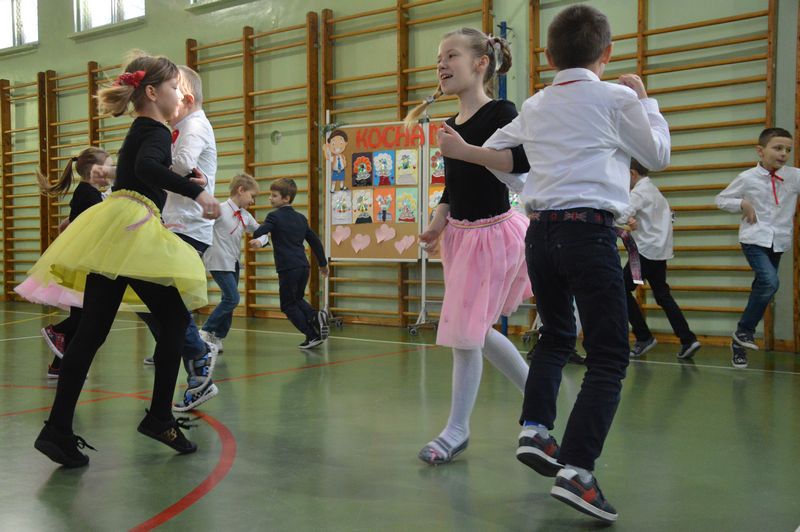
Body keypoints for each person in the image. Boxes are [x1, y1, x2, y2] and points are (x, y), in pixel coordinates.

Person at [448, 5, 670, 521]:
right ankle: (577, 471)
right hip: (589, 233)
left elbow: (495, 150)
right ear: (606, 53)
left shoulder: (537, 103)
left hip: (540, 233)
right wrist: (646, 101)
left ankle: (535, 429)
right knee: (609, 355)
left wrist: (524, 185)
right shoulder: (617, 98)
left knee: (555, 336)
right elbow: (657, 156)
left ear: (548, 56)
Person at [15, 52, 221, 468]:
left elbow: (138, 169)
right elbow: (147, 168)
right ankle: (159, 418)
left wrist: (185, 179)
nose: (178, 94)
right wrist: (198, 192)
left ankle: (57, 430)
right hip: (133, 232)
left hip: (114, 233)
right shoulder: (157, 131)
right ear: (152, 92)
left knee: (91, 332)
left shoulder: (140, 129)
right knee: (175, 321)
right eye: (173, 88)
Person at [405, 27, 532, 466]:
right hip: (460, 237)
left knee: (465, 334)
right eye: (438, 58)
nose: (441, 64)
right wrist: (438, 221)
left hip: (493, 236)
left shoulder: (501, 112)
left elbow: (519, 163)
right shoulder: (453, 126)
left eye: (451, 55)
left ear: (481, 63)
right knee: (477, 330)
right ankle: (537, 395)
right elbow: (454, 185)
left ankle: (456, 430)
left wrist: (463, 150)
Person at [715, 127, 798, 368]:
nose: (783, 154)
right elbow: (720, 199)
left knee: (763, 287)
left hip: (779, 241)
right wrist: (742, 203)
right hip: (753, 238)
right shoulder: (747, 177)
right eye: (778, 148)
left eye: (788, 150)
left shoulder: (795, 176)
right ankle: (745, 331)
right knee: (770, 282)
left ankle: (739, 341)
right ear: (760, 151)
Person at [37, 147, 113, 378]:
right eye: (109, 166)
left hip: (83, 263)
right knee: (86, 319)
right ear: (95, 170)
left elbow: (70, 223)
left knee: (81, 319)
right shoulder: (89, 195)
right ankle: (56, 331)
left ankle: (59, 366)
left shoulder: (86, 192)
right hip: (86, 266)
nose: (112, 171)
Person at [619, 159, 700, 360]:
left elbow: (620, 215)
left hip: (643, 253)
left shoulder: (638, 193)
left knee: (620, 289)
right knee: (663, 296)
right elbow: (668, 218)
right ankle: (688, 338)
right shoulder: (655, 192)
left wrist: (626, 219)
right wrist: (631, 220)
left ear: (632, 173)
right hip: (659, 252)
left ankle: (643, 336)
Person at [199, 173, 267, 373]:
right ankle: (205, 331)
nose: (253, 201)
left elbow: (262, 231)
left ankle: (217, 337)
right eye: (252, 196)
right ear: (241, 190)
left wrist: (260, 240)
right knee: (232, 298)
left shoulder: (245, 215)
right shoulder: (219, 209)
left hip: (233, 262)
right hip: (217, 260)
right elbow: (201, 227)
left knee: (227, 300)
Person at [250, 178, 329, 349]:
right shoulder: (301, 218)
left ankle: (312, 334)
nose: (270, 198)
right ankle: (315, 318)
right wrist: (322, 264)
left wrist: (254, 231)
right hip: (303, 266)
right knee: (297, 299)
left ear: (286, 198)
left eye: (274, 195)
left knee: (287, 305)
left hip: (288, 267)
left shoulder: (274, 216)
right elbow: (315, 241)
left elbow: (260, 231)